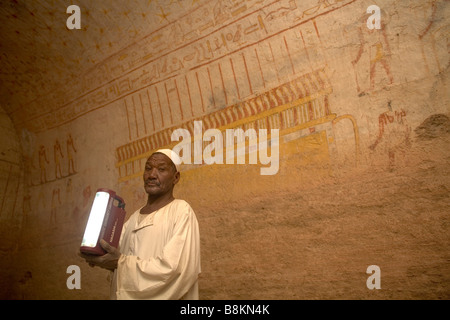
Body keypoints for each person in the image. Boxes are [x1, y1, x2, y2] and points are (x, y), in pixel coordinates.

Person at [80, 149, 201, 299]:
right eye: (148, 168)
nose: (152, 175)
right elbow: (113, 254)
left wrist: (121, 263)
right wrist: (97, 253)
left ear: (176, 177)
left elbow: (177, 269)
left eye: (161, 169)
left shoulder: (181, 211)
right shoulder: (133, 219)